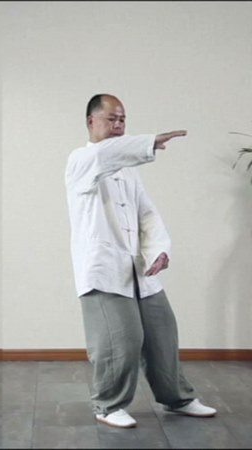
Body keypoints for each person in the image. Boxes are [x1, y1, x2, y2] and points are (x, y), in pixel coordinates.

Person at [65, 94, 217, 428]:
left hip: (139, 269)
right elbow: (106, 154)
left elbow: (147, 214)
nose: (119, 125)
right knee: (121, 340)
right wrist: (150, 142)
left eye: (123, 119)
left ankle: (177, 398)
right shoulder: (81, 160)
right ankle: (108, 405)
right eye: (111, 119)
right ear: (91, 121)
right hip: (103, 271)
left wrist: (159, 250)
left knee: (163, 333)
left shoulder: (129, 171)